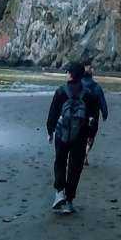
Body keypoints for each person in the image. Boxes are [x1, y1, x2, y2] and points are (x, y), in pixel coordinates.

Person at [46, 61, 100, 214]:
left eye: (67, 72)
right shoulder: (89, 94)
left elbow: (53, 113)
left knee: (60, 162)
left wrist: (50, 131)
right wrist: (91, 135)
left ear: (70, 74)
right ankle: (69, 201)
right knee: (75, 167)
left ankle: (59, 193)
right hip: (80, 135)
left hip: (62, 133)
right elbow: (94, 117)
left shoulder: (61, 91)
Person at [80, 61, 110, 165]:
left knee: (80, 135)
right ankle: (85, 153)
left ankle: (80, 153)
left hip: (80, 114)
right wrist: (105, 113)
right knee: (91, 136)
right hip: (93, 116)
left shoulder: (78, 85)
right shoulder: (96, 87)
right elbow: (102, 101)